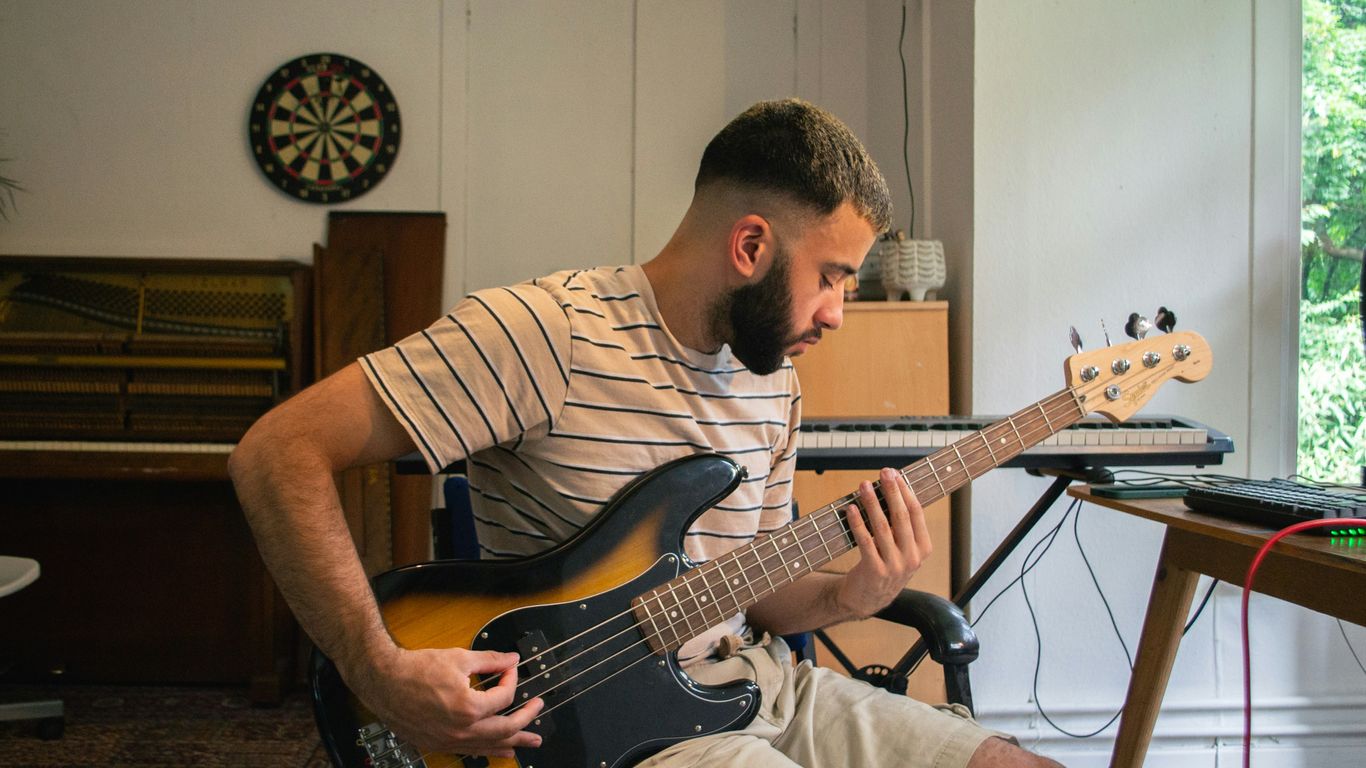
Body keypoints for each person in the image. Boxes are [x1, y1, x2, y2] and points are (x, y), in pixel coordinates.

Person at [229, 98, 1061, 767]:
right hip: (610, 734)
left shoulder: (774, 379)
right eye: (831, 278)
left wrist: (852, 596)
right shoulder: (546, 332)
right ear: (750, 245)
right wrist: (375, 666)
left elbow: (754, 593)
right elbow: (277, 451)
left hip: (760, 688)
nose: (839, 312)